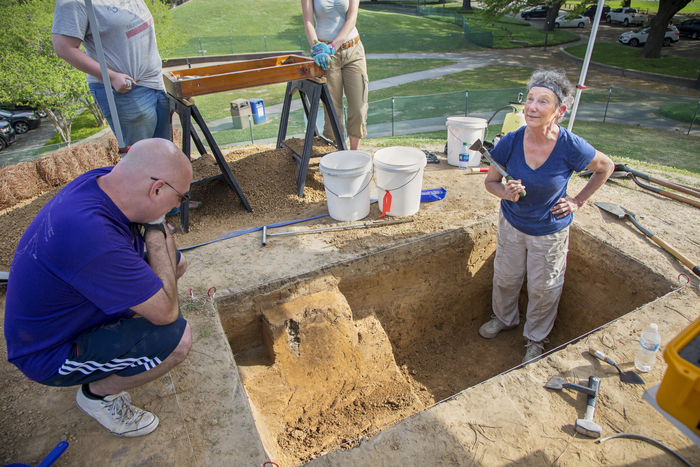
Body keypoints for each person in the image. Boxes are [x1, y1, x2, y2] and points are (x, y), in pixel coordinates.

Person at [4, 138, 193, 437]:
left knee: (175, 264)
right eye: (180, 197)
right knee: (177, 340)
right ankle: (96, 396)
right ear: (156, 189)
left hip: (75, 301)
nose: (178, 206)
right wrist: (156, 228)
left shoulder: (104, 181)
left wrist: (155, 225)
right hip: (49, 352)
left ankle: (113, 343)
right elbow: (167, 313)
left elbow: (169, 266)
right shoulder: (94, 237)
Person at [478, 68, 614, 365]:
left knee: (544, 288)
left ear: (559, 110)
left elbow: (606, 167)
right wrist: (506, 193)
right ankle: (504, 319)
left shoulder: (570, 146)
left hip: (549, 232)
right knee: (505, 278)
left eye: (542, 102)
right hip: (512, 226)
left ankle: (535, 340)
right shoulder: (510, 141)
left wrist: (578, 200)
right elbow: (490, 182)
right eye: (529, 99)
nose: (532, 107)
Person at [51, 0, 201, 217]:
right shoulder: (75, 2)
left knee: (163, 154)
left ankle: (169, 207)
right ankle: (150, 221)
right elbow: (63, 47)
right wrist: (111, 76)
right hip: (124, 90)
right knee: (142, 162)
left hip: (154, 84)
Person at [302, 0, 368, 151]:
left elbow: (351, 19)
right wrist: (317, 48)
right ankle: (340, 153)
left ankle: (354, 154)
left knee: (359, 106)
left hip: (353, 50)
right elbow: (308, 22)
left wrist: (334, 46)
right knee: (333, 109)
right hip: (326, 54)